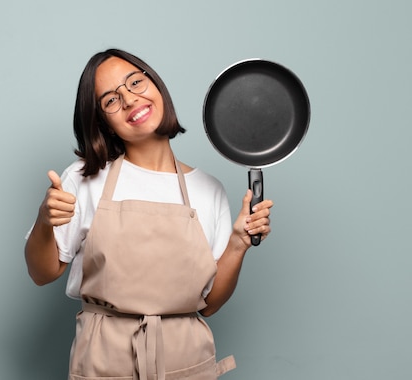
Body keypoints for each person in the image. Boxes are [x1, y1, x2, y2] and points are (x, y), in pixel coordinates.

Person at [25, 48, 273, 380]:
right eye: (111, 100)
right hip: (104, 361)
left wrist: (239, 243)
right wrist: (45, 220)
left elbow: (210, 303)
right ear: (105, 123)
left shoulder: (208, 189)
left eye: (135, 83)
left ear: (157, 86)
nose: (129, 99)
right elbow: (42, 273)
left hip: (187, 361)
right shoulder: (83, 179)